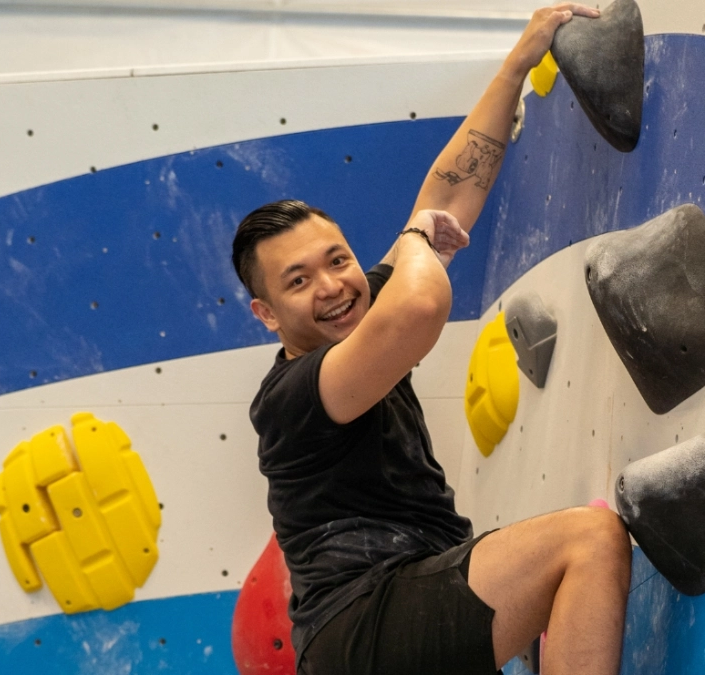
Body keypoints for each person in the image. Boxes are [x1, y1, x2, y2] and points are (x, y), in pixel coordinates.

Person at [230, 5, 631, 674]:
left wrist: (516, 65)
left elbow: (451, 192)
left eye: (337, 259)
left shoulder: (364, 311)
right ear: (267, 314)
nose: (331, 285)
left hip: (406, 592)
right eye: (298, 281)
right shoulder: (295, 393)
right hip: (362, 620)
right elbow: (418, 304)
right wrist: (417, 241)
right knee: (589, 540)